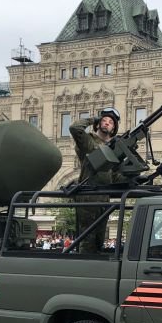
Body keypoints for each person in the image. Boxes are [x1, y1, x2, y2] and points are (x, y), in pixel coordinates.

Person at [70, 108, 120, 253]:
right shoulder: (89, 141)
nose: (107, 123)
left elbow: (114, 176)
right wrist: (93, 119)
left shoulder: (113, 148)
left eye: (111, 122)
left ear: (114, 128)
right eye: (104, 120)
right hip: (88, 194)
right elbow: (74, 128)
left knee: (99, 240)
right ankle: (85, 269)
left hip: (104, 197)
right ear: (98, 124)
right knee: (87, 239)